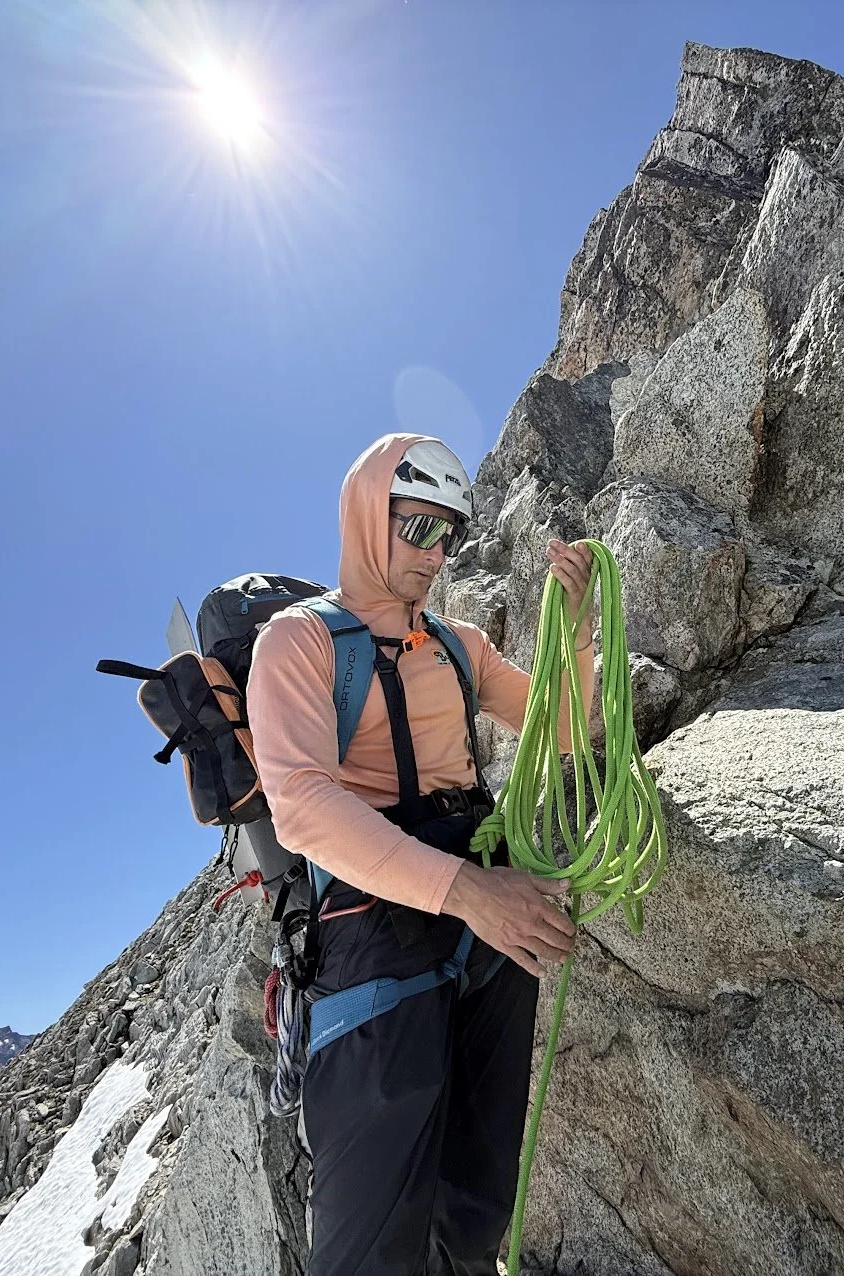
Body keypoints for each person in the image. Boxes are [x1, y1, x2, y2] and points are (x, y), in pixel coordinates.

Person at [246, 432, 598, 1275]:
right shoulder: (298, 645)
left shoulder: (458, 644)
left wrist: (577, 633)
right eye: (419, 528)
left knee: (475, 1207)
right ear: (370, 515)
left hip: (483, 923)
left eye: (450, 534)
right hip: (375, 930)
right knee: (372, 1245)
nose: (435, 555)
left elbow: (568, 725)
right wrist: (471, 894)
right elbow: (300, 805)